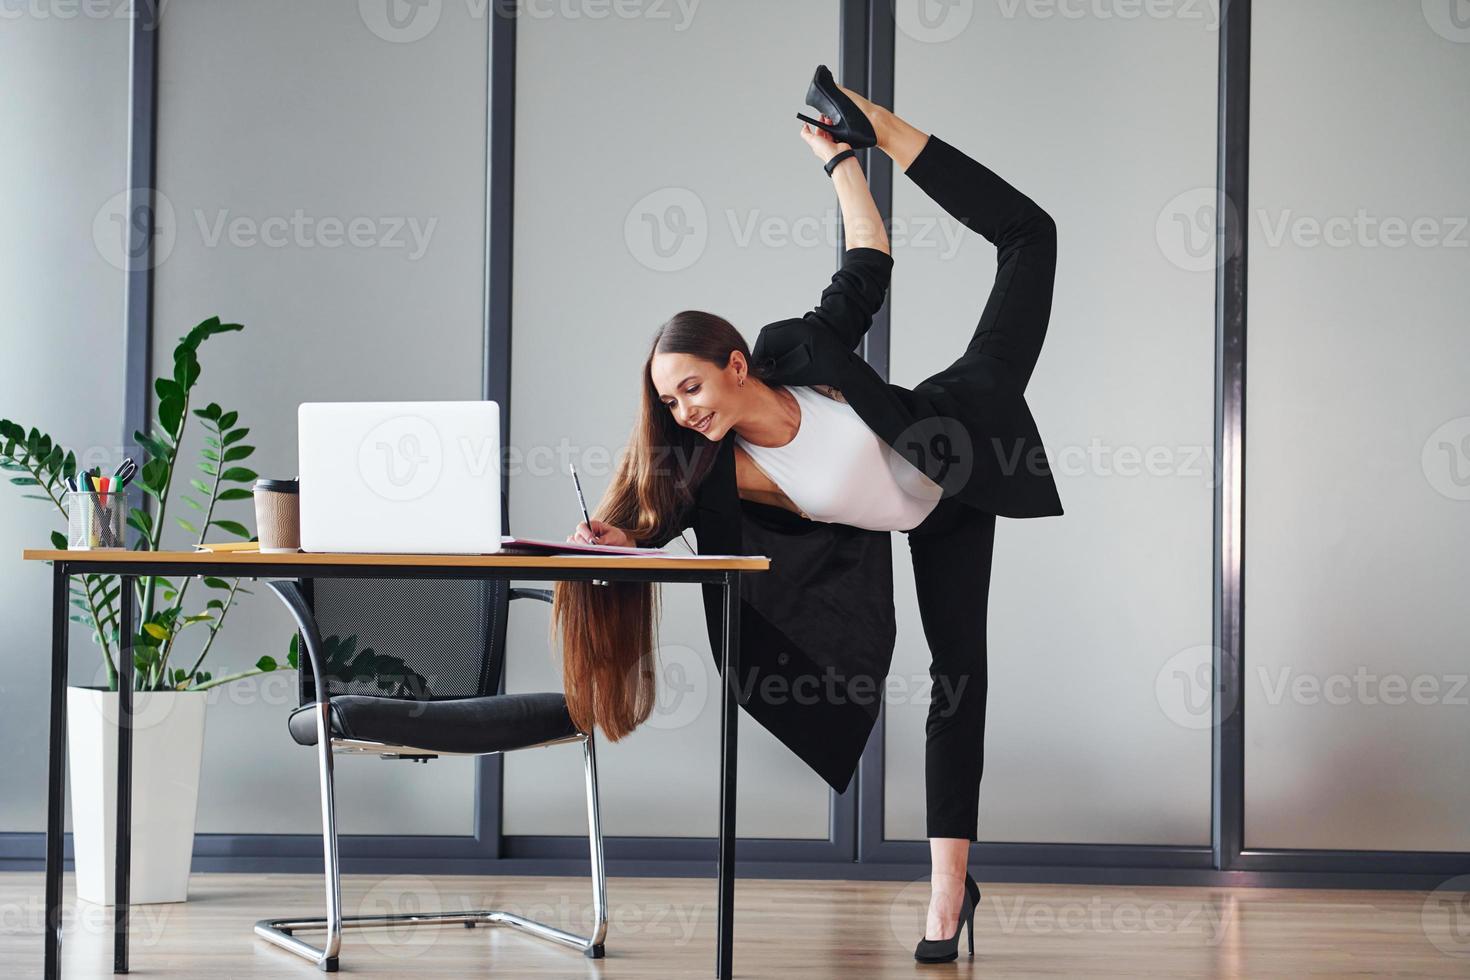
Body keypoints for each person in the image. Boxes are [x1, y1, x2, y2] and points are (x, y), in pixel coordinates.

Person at [555, 65, 1062, 963]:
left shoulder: (798, 348)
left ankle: (946, 894)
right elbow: (652, 527)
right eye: (669, 401)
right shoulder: (705, 470)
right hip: (919, 523)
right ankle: (956, 886)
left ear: (737, 363)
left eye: (693, 387)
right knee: (953, 682)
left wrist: (843, 159)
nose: (684, 411)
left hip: (956, 438)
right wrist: (616, 537)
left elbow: (869, 264)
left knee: (1031, 235)